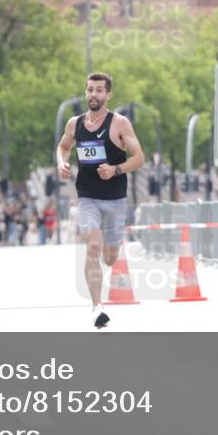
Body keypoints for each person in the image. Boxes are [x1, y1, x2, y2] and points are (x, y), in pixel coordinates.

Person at [56, 72, 145, 329]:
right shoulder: (74, 124)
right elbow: (63, 147)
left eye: (99, 90)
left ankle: (113, 246)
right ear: (86, 92)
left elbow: (139, 158)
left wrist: (116, 169)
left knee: (110, 257)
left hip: (115, 198)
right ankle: (97, 307)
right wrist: (62, 163)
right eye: (90, 90)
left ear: (108, 95)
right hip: (88, 197)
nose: (93, 94)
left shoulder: (120, 123)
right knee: (93, 246)